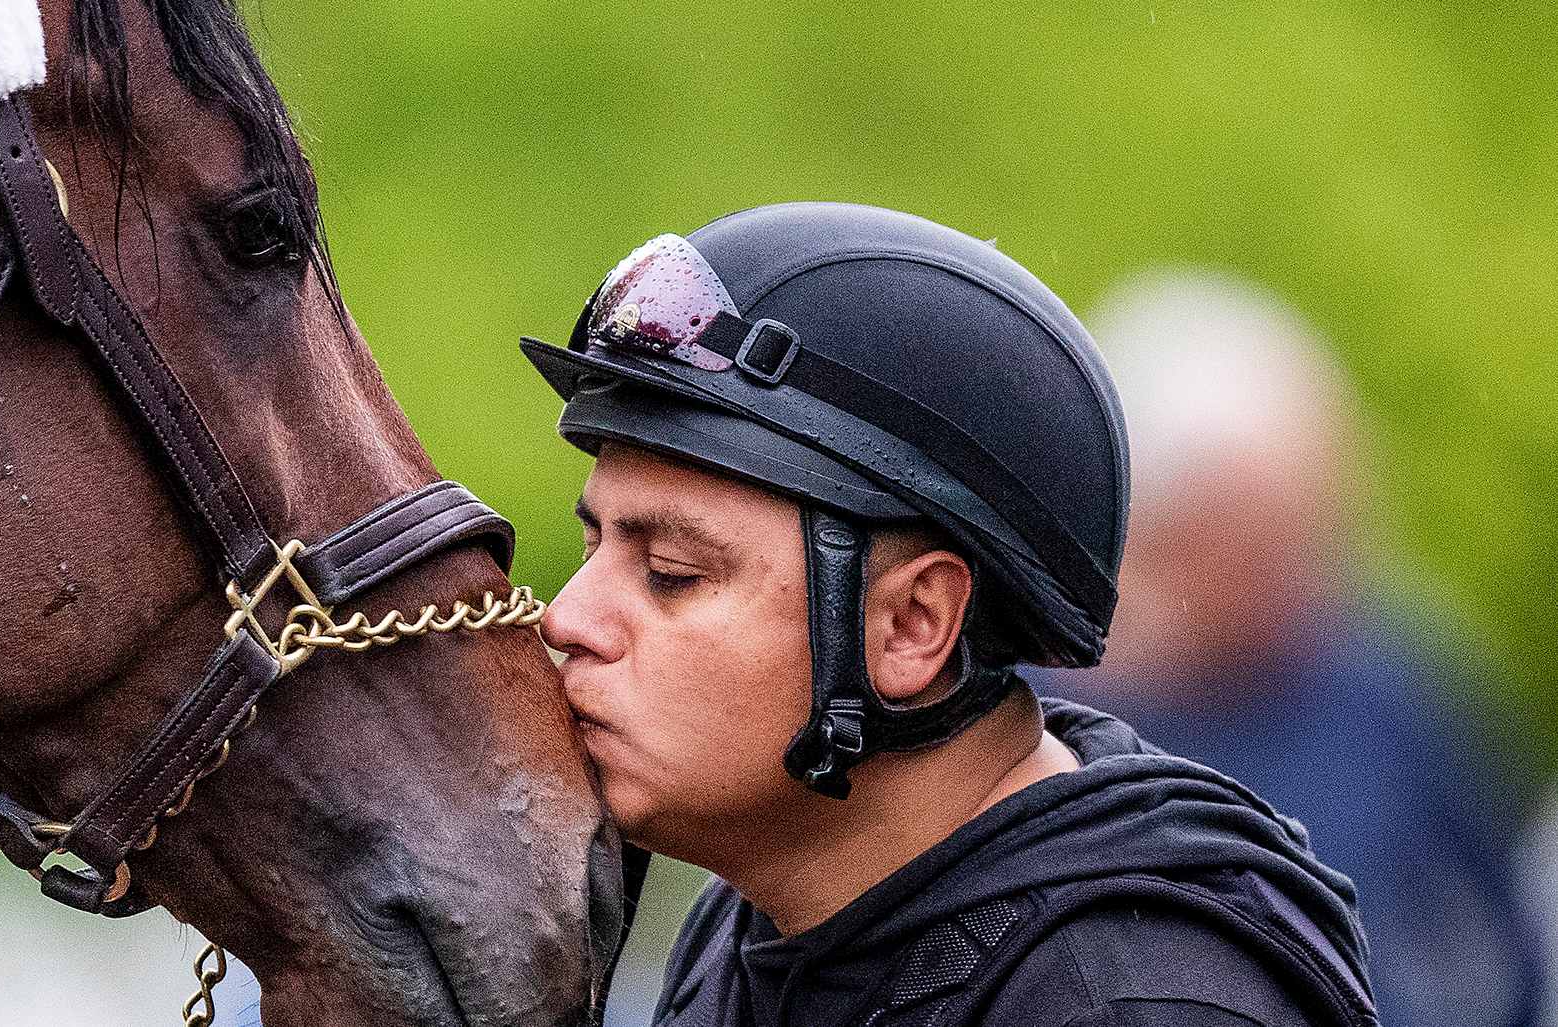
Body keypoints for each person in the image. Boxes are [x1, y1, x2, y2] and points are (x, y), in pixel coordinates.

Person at [517, 202, 1375, 1026]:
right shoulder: (758, 923)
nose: (566, 618)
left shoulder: (1126, 1003)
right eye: (595, 546)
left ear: (912, 624)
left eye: (671, 572)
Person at [1028, 270, 1543, 1027]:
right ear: (1151, 534)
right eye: (1261, 542)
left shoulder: (1385, 679)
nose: (1308, 576)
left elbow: (1505, 923)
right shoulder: (1030, 720)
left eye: (1320, 527)